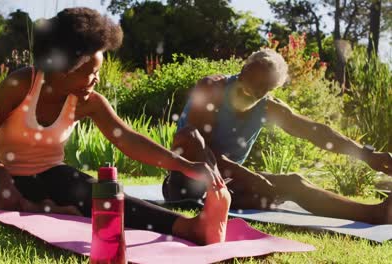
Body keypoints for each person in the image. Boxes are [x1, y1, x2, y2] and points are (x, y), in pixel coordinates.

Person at [0, 7, 231, 245]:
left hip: (54, 179)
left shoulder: (89, 101)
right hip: (1, 177)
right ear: (62, 65)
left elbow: (129, 140)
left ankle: (188, 227)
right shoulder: (22, 82)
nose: (97, 79)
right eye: (90, 71)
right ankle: (35, 206)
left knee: (95, 191)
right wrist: (2, 177)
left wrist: (184, 165)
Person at [162, 48, 392, 224]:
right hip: (186, 185)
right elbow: (200, 151)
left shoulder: (267, 107)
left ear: (270, 90)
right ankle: (240, 194)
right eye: (250, 80)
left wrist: (366, 154)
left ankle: (375, 213)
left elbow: (316, 132)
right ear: (243, 70)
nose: (252, 90)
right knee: (191, 137)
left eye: (262, 87)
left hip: (227, 187)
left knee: (294, 183)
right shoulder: (211, 88)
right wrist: (251, 179)